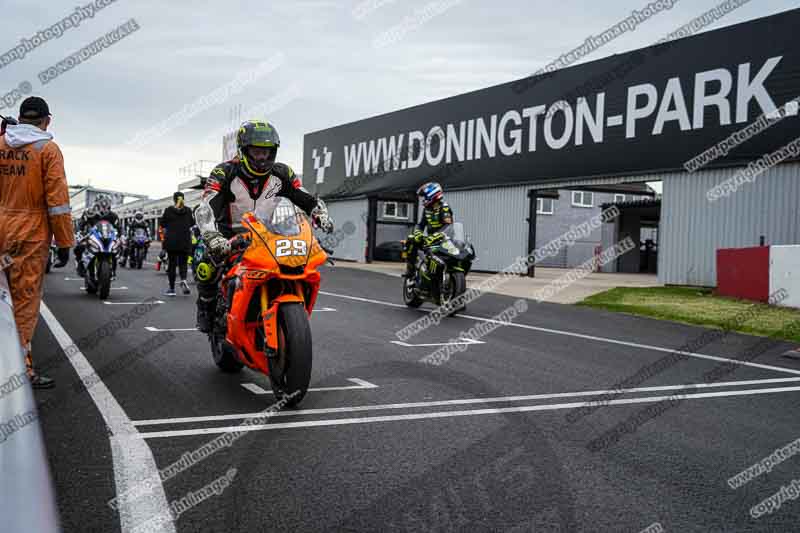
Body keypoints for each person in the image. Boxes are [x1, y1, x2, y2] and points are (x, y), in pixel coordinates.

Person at [194, 119, 333, 333]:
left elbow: (303, 197)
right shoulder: (224, 172)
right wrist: (212, 236)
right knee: (205, 266)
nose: (262, 158)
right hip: (228, 236)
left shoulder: (282, 173)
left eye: (267, 152)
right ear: (243, 150)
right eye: (257, 152)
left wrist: (319, 213)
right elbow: (206, 206)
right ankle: (205, 307)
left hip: (267, 235)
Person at [0, 96, 73, 388]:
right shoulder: (48, 150)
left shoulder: (1, 144)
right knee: (24, 301)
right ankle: (21, 370)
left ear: (20, 118)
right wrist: (65, 243)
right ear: (47, 121)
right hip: (29, 237)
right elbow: (58, 203)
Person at [404, 181, 454, 278]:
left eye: (425, 197)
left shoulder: (444, 207)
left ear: (433, 195)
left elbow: (448, 225)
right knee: (411, 239)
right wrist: (418, 232)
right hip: (429, 239)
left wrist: (436, 235)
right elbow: (421, 224)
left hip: (443, 239)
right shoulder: (427, 209)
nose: (424, 200)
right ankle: (411, 269)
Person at [75, 195, 120, 278]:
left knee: (116, 249)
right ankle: (79, 265)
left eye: (106, 205)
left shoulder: (113, 216)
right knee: (79, 247)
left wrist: (122, 236)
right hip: (92, 236)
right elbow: (81, 224)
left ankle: (113, 270)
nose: (104, 207)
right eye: (101, 204)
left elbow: (119, 227)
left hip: (107, 237)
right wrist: (79, 233)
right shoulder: (89, 213)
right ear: (96, 203)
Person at [160, 192, 194, 296]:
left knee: (172, 264)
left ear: (174, 200)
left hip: (171, 241)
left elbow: (162, 224)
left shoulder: (168, 210)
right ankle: (183, 279)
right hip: (185, 241)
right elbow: (192, 223)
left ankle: (172, 289)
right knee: (183, 263)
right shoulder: (188, 210)